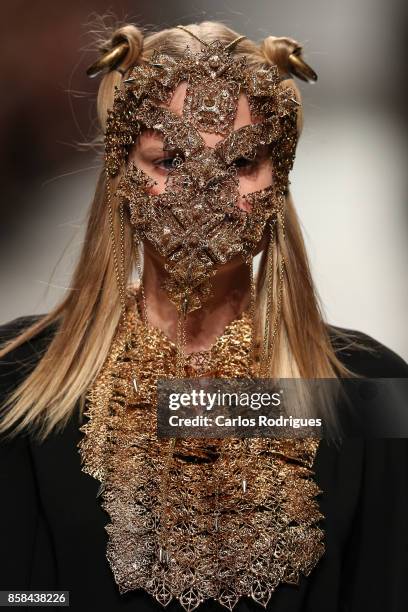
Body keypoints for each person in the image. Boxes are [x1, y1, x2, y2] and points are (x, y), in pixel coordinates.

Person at [0, 20, 407, 612]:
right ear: (121, 174)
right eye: (169, 160)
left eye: (242, 163)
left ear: (279, 179)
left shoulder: (369, 395)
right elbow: (18, 595)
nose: (205, 190)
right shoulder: (19, 383)